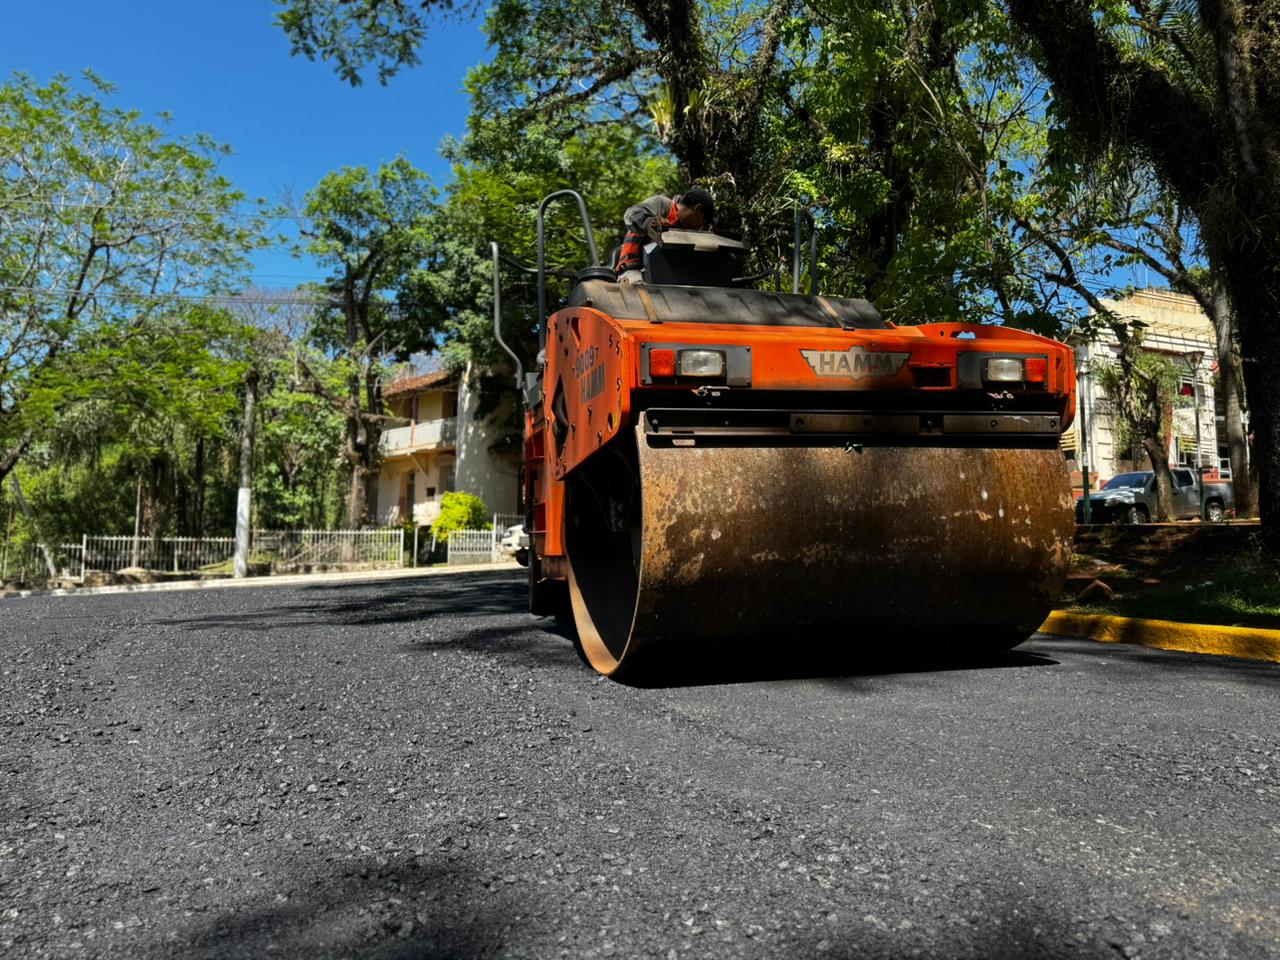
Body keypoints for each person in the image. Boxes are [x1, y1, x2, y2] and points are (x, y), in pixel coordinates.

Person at [615, 186, 716, 284]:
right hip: (633, 270)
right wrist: (650, 223)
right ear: (697, 209)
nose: (702, 227)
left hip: (663, 276)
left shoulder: (686, 229)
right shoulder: (663, 204)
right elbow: (631, 214)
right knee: (642, 290)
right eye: (704, 221)